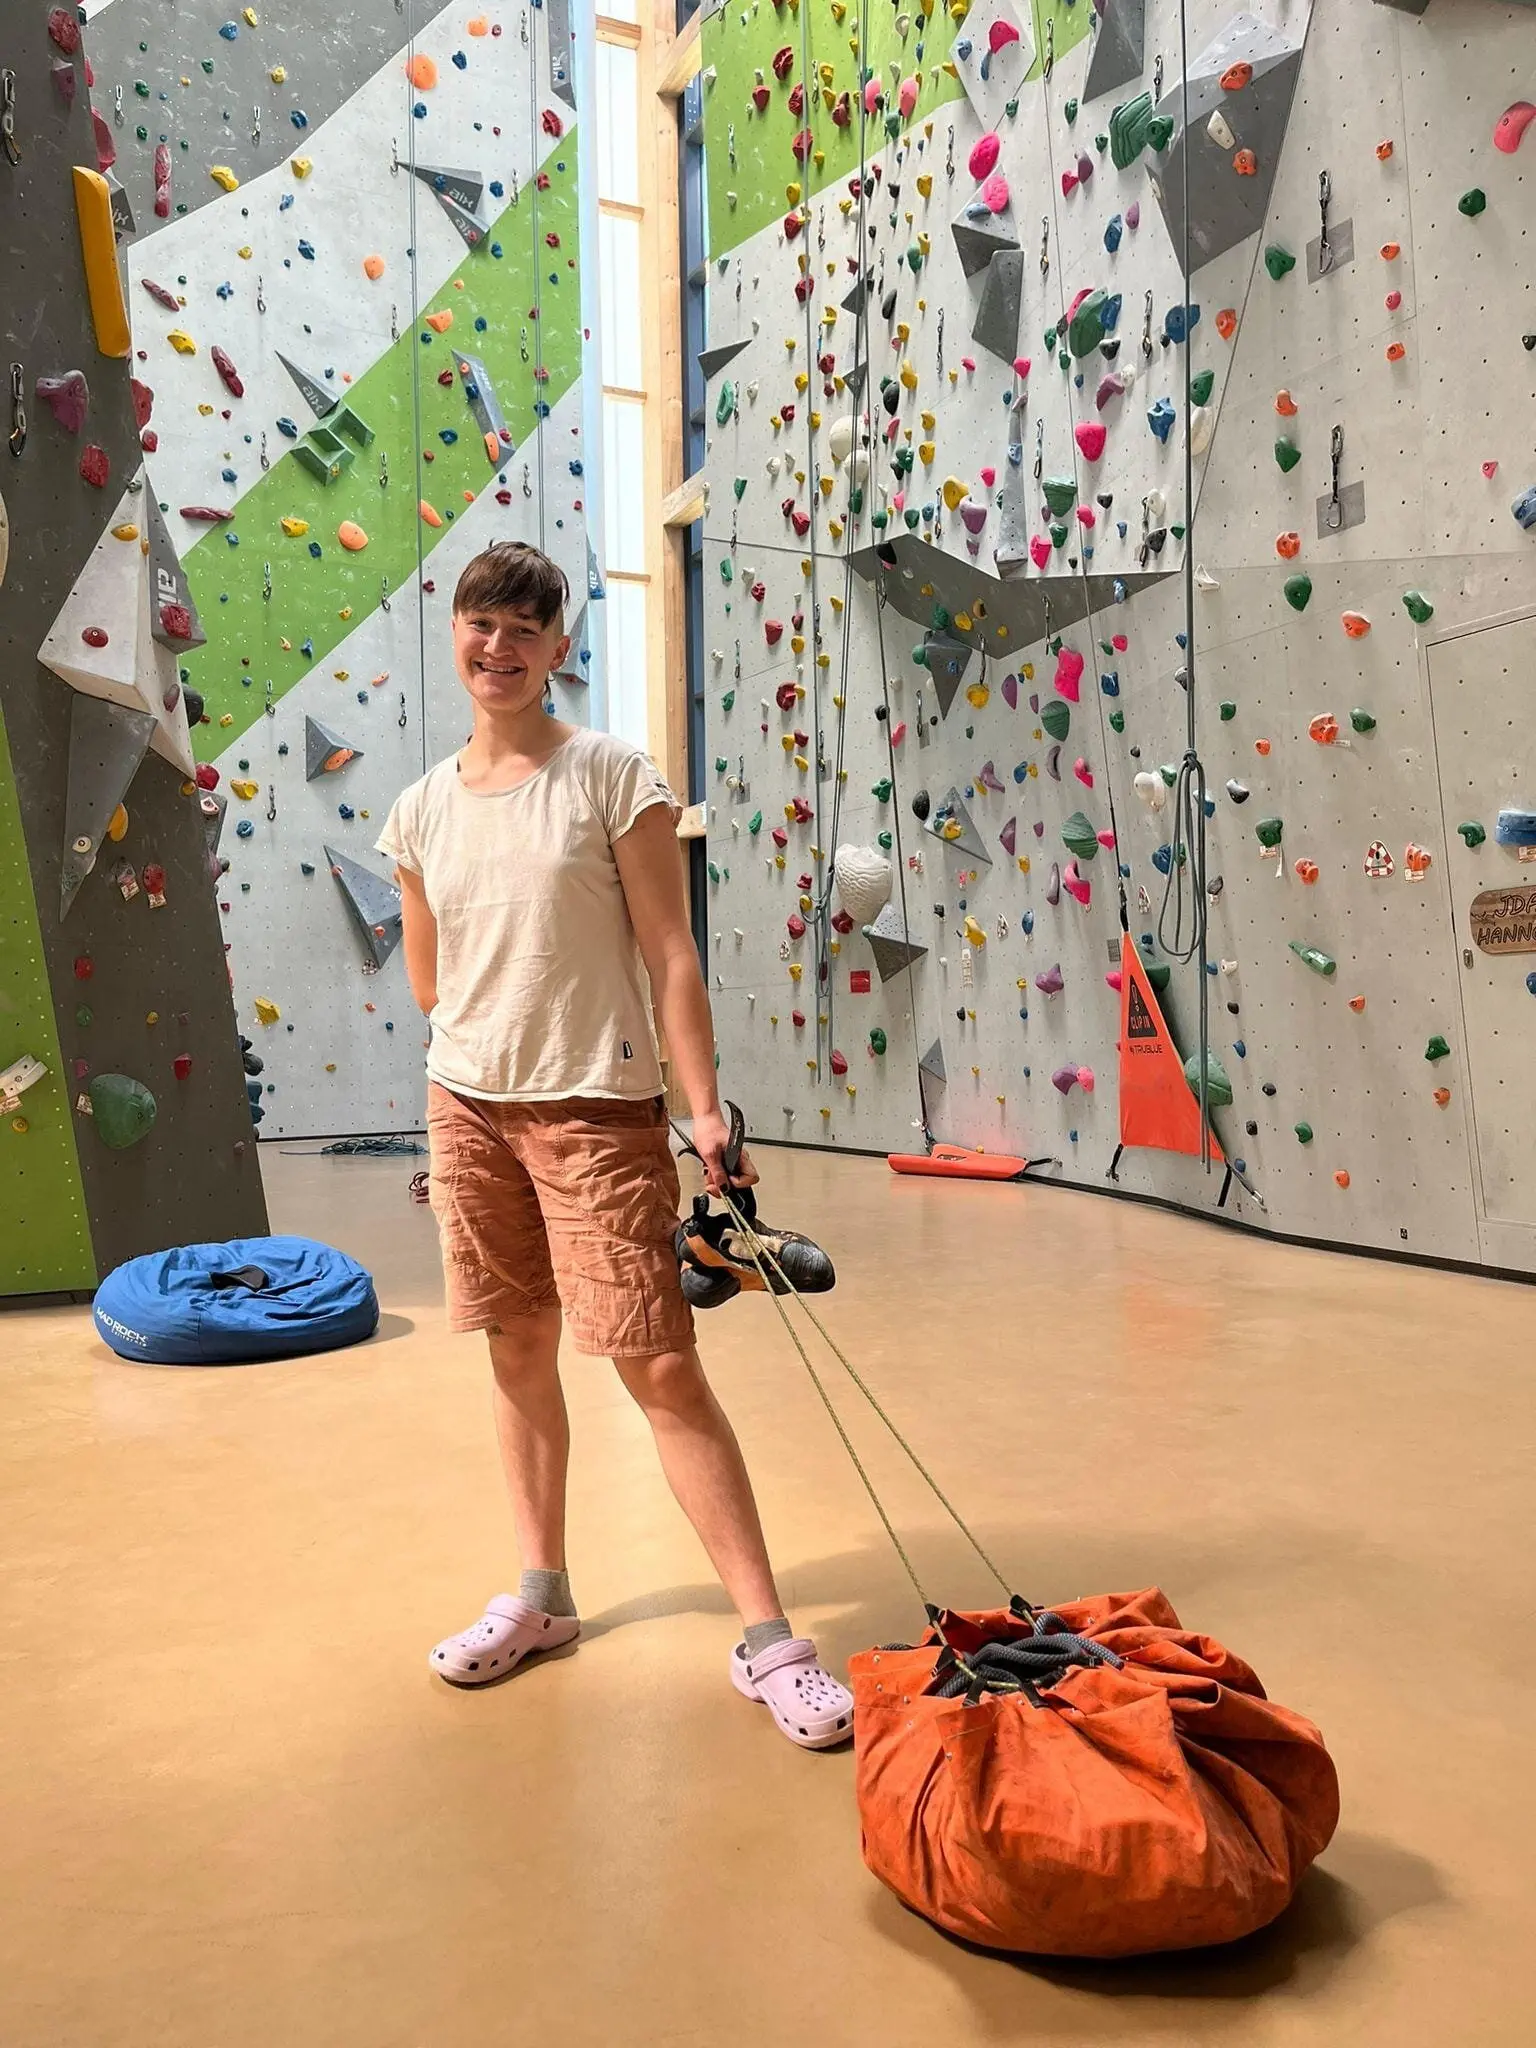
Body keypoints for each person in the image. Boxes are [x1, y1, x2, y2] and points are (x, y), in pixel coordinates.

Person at [376, 541, 854, 1750]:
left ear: (558, 648)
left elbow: (670, 952)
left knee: (657, 1363)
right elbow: (433, 983)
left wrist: (702, 1109)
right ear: (458, 633)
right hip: (470, 1110)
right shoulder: (421, 809)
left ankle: (769, 1639)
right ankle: (541, 1596)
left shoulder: (609, 776)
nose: (500, 647)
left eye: (524, 629)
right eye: (481, 624)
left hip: (598, 1110)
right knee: (518, 1348)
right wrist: (482, 1068)